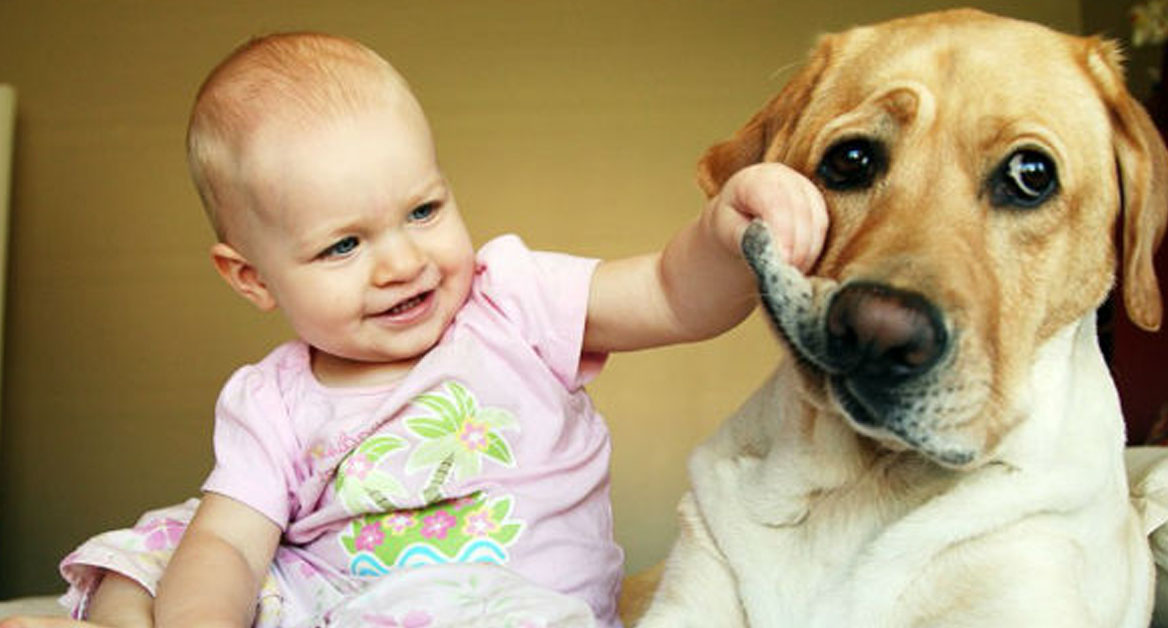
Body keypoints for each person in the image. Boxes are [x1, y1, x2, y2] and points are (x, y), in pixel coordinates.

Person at [3, 31, 827, 628]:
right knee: (173, 541)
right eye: (344, 245)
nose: (402, 262)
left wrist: (727, 233)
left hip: (510, 608)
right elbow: (230, 543)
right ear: (252, 277)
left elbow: (671, 294)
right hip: (329, 602)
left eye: (424, 210)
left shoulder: (512, 301)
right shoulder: (275, 399)